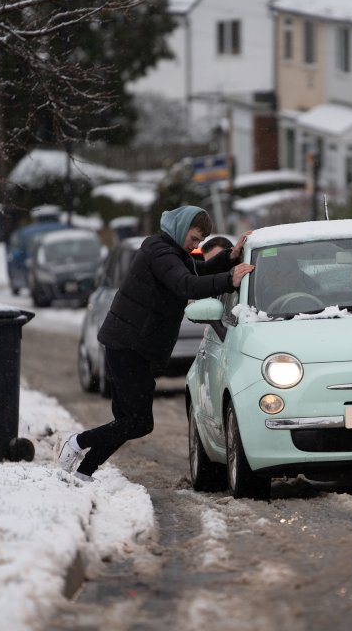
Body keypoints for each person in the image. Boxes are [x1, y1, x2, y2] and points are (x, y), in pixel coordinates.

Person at [55, 205, 253, 482]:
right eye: (194, 239)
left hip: (134, 347)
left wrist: (229, 257)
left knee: (128, 421)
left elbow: (198, 269)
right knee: (137, 422)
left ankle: (84, 472)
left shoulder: (170, 251)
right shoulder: (159, 252)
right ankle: (76, 442)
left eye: (199, 242)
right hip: (129, 345)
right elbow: (186, 285)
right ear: (182, 228)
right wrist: (228, 280)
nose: (196, 246)